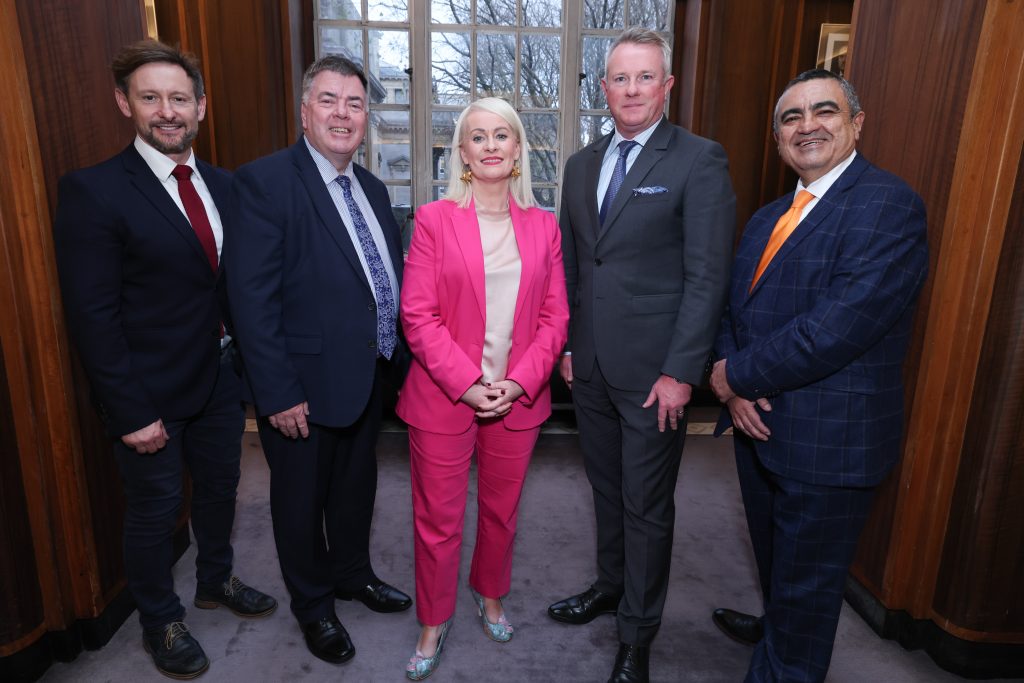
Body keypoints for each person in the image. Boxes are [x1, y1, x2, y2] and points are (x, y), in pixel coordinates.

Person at [52, 40, 276, 680]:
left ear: (200, 106)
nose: (167, 111)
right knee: (153, 512)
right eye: (151, 98)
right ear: (125, 104)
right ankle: (160, 619)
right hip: (147, 393)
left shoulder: (227, 187)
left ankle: (215, 580)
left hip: (220, 381)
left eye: (179, 98)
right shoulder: (93, 191)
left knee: (220, 491)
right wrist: (129, 410)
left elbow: (234, 285)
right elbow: (92, 316)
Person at [709, 69, 928, 683]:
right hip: (761, 425)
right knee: (781, 562)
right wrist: (732, 378)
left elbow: (836, 329)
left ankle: (785, 661)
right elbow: (735, 311)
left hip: (830, 436)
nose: (807, 127)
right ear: (778, 138)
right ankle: (779, 626)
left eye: (823, 111)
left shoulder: (888, 204)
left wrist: (733, 380)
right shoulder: (768, 217)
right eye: (791, 117)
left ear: (856, 123)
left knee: (809, 580)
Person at [551, 27, 736, 683]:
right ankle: (609, 584)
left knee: (647, 504)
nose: (631, 89)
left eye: (644, 77)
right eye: (619, 78)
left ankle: (638, 634)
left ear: (667, 86)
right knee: (606, 490)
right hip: (592, 368)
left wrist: (682, 372)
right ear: (604, 88)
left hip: (657, 376)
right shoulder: (578, 165)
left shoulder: (698, 159)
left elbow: (707, 276)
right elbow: (574, 266)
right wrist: (570, 346)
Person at [223, 54, 412, 666]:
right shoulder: (265, 182)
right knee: (300, 503)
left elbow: (379, 280)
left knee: (355, 490)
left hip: (365, 375)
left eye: (354, 104)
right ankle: (313, 606)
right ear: (305, 112)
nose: (342, 113)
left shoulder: (375, 189)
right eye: (328, 100)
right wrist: (275, 391)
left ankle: (352, 575)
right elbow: (250, 300)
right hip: (299, 386)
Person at [396, 97, 569, 680]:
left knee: (501, 512)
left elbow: (555, 319)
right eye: (478, 137)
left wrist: (518, 383)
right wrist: (469, 385)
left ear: (519, 150)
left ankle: (489, 592)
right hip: (444, 398)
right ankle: (433, 618)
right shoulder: (433, 219)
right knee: (438, 520)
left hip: (518, 399)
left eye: (503, 135)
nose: (491, 145)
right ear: (463, 154)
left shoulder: (544, 227)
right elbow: (417, 317)